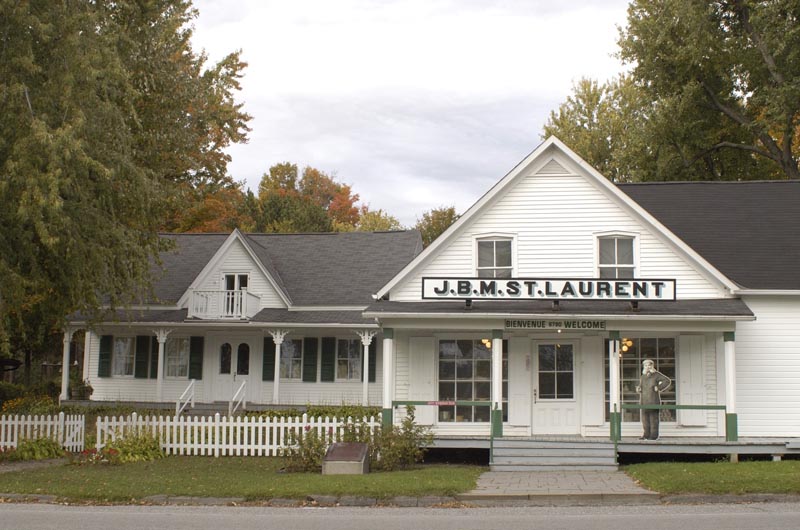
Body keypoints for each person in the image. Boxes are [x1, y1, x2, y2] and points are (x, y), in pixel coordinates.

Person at [636, 359, 671, 440]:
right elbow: (641, 386)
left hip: (653, 400)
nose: (647, 367)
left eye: (649, 365)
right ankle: (646, 435)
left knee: (653, 420)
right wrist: (639, 389)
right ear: (643, 367)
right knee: (645, 420)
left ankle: (653, 436)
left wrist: (659, 387)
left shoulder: (656, 375)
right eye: (646, 365)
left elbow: (667, 381)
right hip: (644, 401)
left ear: (652, 366)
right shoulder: (643, 376)